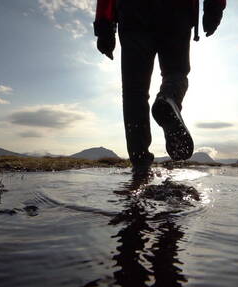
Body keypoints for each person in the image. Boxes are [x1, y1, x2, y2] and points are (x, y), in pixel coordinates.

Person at [94, 0, 226, 172]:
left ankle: (140, 162)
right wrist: (214, 9)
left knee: (134, 90)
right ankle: (169, 98)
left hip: (132, 12)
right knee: (176, 74)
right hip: (177, 11)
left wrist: (104, 25)